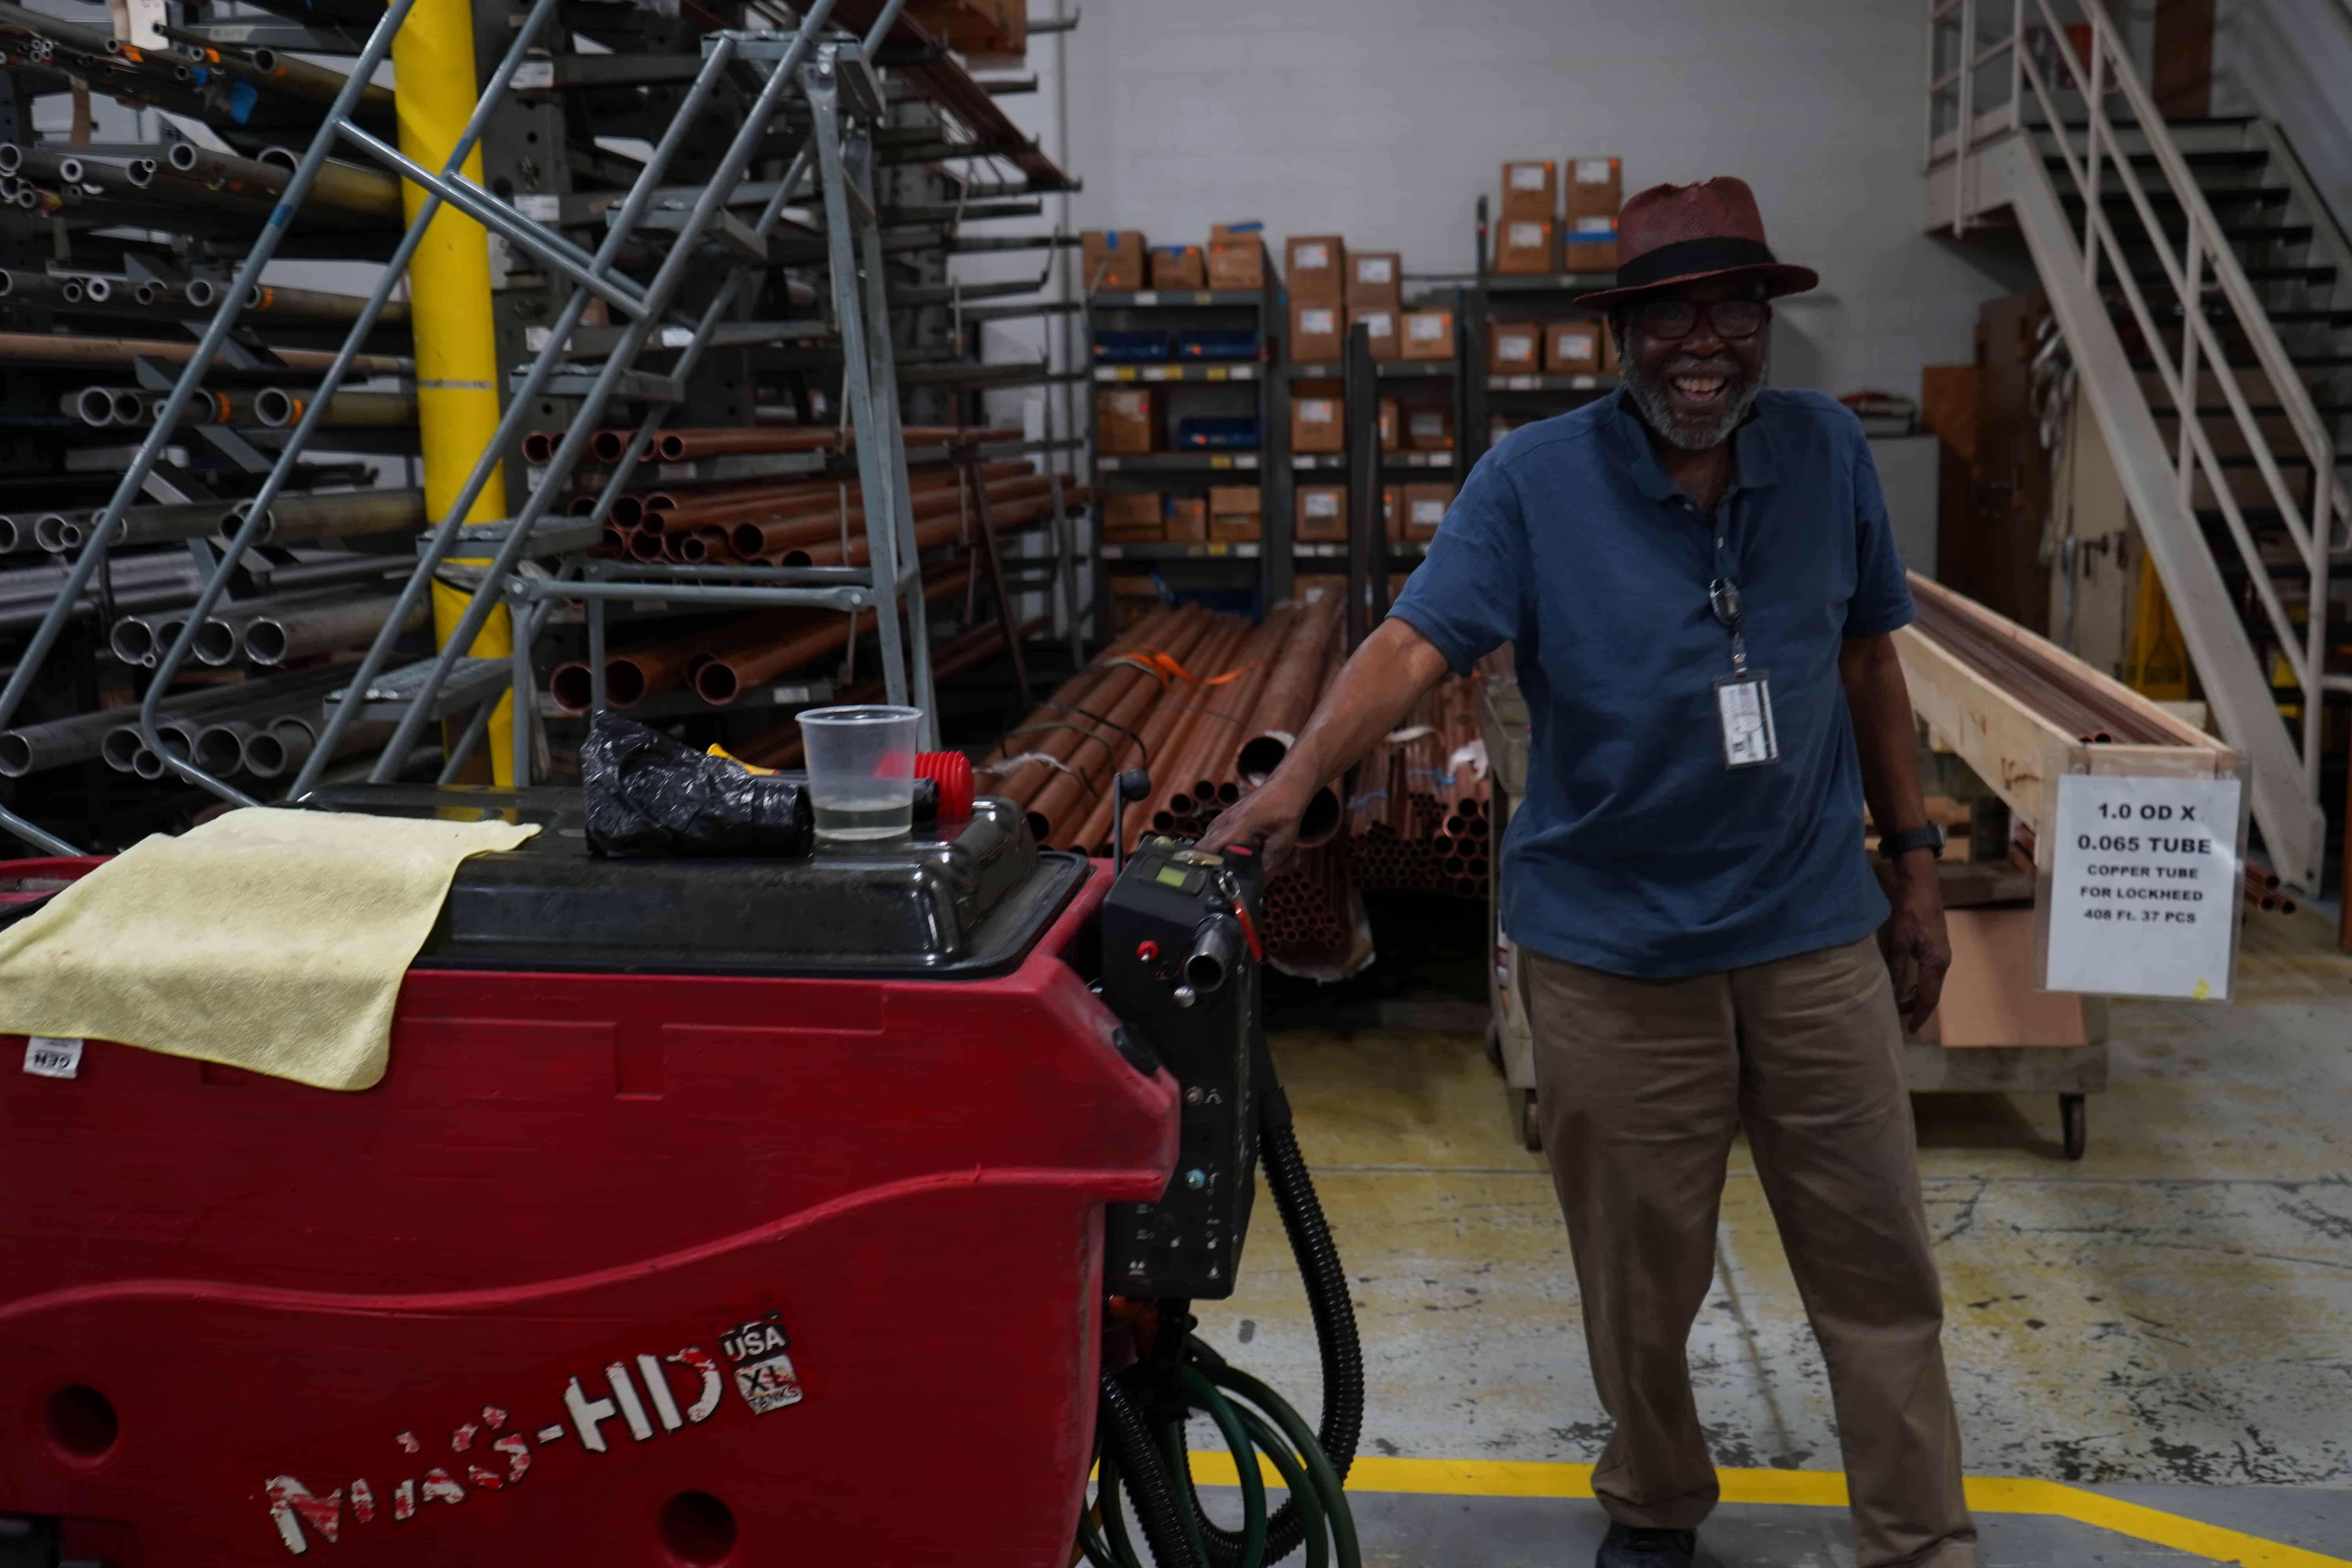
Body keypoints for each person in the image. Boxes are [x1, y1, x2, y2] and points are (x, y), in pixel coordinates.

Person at [1202, 178, 1976, 1568]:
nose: (1704, 343)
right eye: (1669, 313)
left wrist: (1914, 866)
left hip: (1811, 937)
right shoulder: (1536, 481)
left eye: (1731, 310)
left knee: (1877, 1266)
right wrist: (1296, 782)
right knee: (1640, 1283)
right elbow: (1413, 643)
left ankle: (1921, 1538)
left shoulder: (1825, 456)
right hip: (1613, 954)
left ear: (1765, 321)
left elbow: (1871, 657)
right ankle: (1658, 1500)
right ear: (1620, 335)